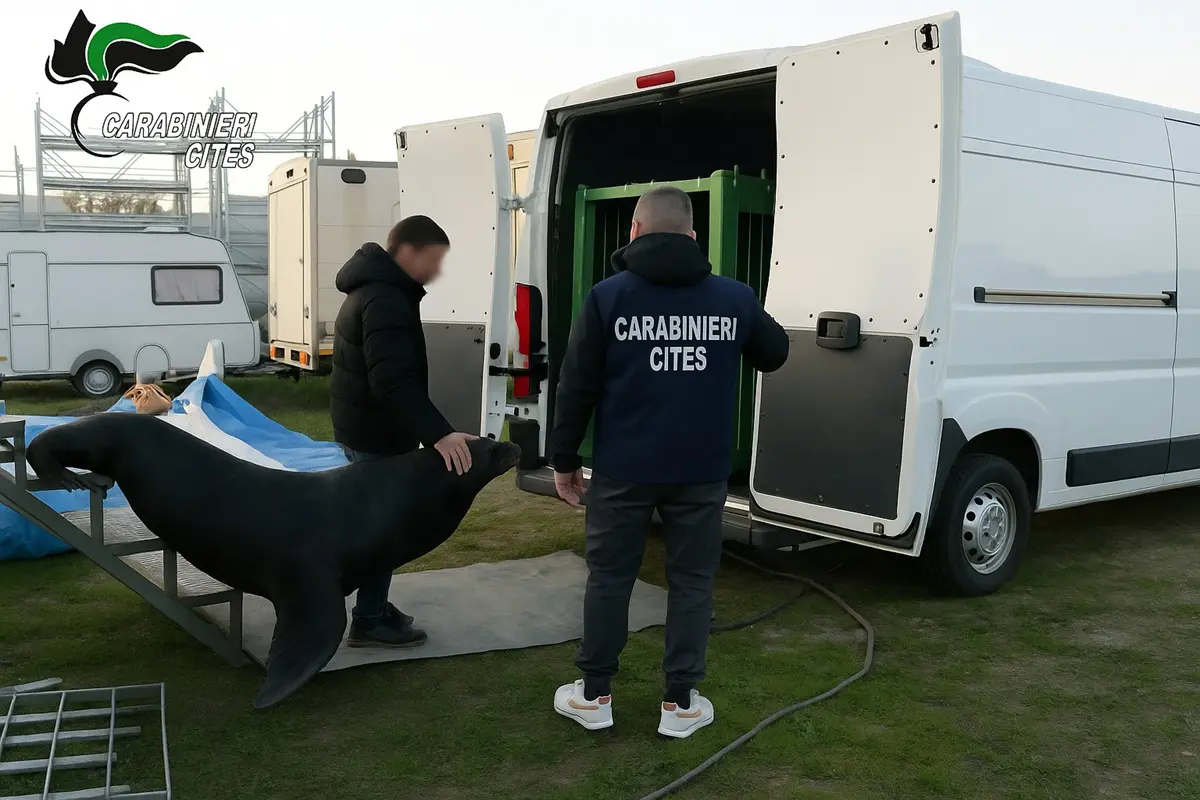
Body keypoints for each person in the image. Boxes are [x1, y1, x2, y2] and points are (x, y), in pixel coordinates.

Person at [548, 186, 789, 738]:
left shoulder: (607, 297)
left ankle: (594, 695)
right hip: (700, 471)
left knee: (610, 579)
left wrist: (563, 458)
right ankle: (680, 704)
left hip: (623, 469)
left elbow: (576, 384)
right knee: (692, 583)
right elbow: (774, 353)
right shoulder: (732, 297)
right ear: (693, 236)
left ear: (633, 231)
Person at [329, 214, 477, 648]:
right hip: (375, 437)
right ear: (408, 252)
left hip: (362, 430)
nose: (437, 271)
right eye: (434, 260)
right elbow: (392, 382)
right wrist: (440, 434)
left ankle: (373, 606)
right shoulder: (385, 299)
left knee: (377, 525)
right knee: (383, 529)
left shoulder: (375, 289)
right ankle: (370, 619)